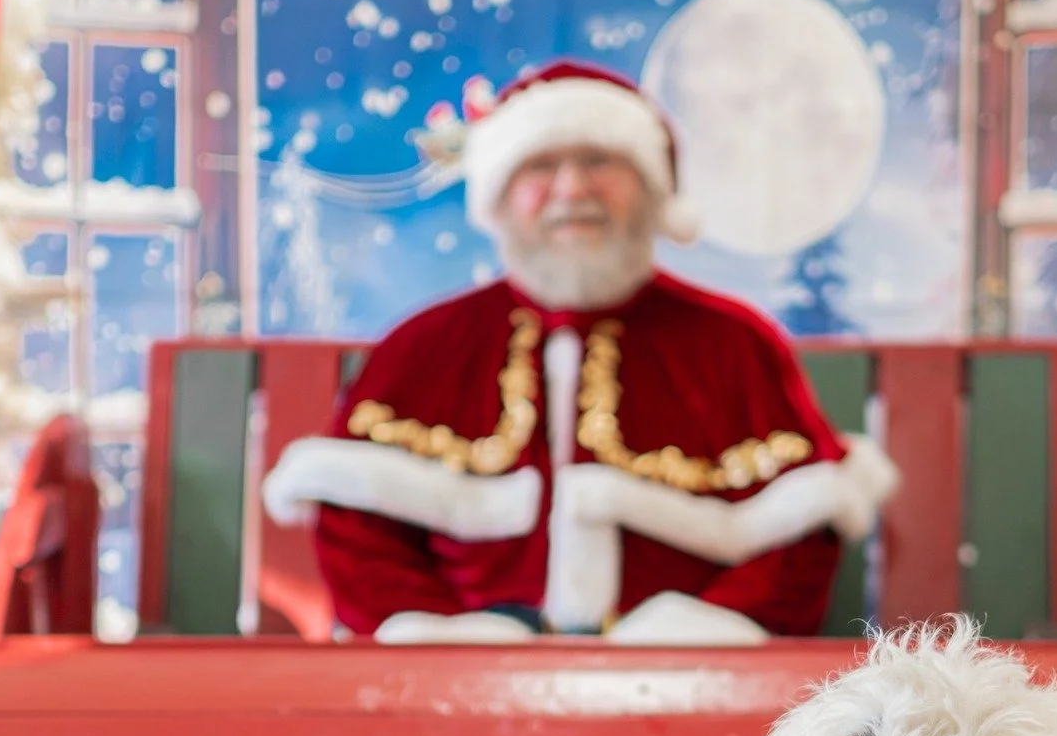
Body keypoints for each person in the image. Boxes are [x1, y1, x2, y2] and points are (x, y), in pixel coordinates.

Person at [263, 59, 898, 648]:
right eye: (539, 167)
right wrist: (445, 641)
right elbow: (358, 534)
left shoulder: (733, 344)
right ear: (500, 195)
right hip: (456, 689)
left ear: (651, 189)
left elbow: (797, 542)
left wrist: (701, 635)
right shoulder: (424, 347)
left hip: (685, 689)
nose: (571, 188)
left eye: (599, 160)